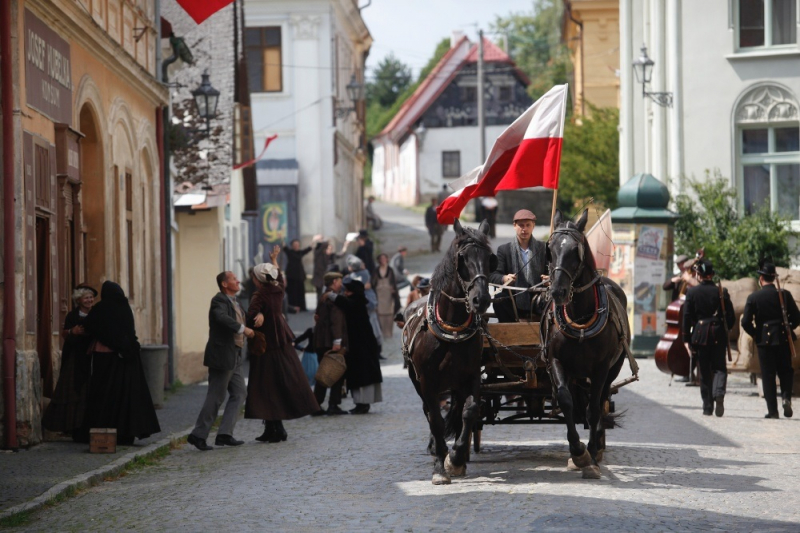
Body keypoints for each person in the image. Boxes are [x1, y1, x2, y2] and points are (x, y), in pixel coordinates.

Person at [246, 250, 320, 442]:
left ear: (257, 279)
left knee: (266, 386)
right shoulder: (278, 289)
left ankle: (274, 428)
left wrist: (259, 315)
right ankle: (275, 428)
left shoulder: (259, 296)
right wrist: (273, 260)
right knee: (279, 383)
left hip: (266, 345)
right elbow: (278, 276)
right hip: (282, 341)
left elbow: (250, 319)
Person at [82, 281, 160, 446]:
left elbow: (90, 326)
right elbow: (128, 332)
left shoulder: (100, 309)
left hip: (104, 358)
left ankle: (102, 431)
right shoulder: (125, 308)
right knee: (124, 395)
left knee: (104, 395)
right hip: (126, 358)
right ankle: (126, 432)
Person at [187, 272, 254, 451]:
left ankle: (225, 434)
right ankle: (198, 435)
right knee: (216, 396)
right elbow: (221, 318)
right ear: (225, 284)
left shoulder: (236, 302)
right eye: (233, 279)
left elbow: (248, 317)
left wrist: (261, 315)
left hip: (236, 355)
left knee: (240, 393)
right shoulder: (219, 301)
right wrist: (242, 329)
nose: (238, 281)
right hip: (223, 354)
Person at [741, 262, 800, 419]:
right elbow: (797, 318)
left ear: (761, 278)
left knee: (768, 375)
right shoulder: (785, 295)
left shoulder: (754, 297)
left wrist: (756, 334)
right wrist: (789, 328)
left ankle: (773, 411)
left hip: (764, 340)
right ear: (773, 278)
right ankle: (786, 397)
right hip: (783, 337)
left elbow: (745, 322)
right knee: (786, 371)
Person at [42, 284, 97, 442]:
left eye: (91, 297)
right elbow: (65, 333)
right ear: (79, 300)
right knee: (73, 390)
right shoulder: (72, 316)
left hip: (91, 357)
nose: (89, 300)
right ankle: (71, 427)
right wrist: (73, 332)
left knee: (89, 390)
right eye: (86, 297)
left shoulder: (95, 314)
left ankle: (87, 427)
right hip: (74, 358)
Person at [682, 259, 735, 417]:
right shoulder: (721, 291)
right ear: (711, 275)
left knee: (704, 371)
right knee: (720, 368)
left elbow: (686, 316)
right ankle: (718, 393)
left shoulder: (692, 292)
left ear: (699, 275)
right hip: (718, 332)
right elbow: (730, 317)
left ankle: (707, 407)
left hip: (700, 334)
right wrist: (725, 330)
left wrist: (686, 339)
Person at [326, 276, 383, 414]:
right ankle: (360, 403)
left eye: (348, 291)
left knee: (363, 376)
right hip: (360, 346)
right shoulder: (357, 301)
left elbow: (345, 302)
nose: (346, 293)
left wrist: (330, 295)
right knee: (359, 376)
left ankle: (363, 404)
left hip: (362, 347)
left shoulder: (356, 302)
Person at [489, 209, 547, 323]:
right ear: (514, 226)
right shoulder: (504, 250)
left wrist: (549, 279)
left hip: (537, 298)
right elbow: (493, 275)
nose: (524, 229)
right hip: (512, 299)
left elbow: (552, 272)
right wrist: (504, 278)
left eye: (528, 225)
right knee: (499, 298)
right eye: (521, 225)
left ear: (533, 226)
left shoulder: (543, 248)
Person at [312, 272, 349, 416]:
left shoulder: (323, 296)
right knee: (336, 373)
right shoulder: (332, 298)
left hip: (322, 341)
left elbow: (317, 316)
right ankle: (333, 404)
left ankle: (316, 404)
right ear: (334, 282)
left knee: (324, 373)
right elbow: (336, 320)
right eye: (339, 281)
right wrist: (337, 341)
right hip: (330, 342)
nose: (341, 284)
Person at [346, 254, 384, 351]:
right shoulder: (361, 274)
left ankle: (376, 348)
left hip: (366, 304)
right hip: (367, 305)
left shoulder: (353, 277)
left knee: (373, 327)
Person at [283, 237, 318, 313]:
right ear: (292, 245)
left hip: (300, 276)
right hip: (291, 276)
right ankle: (292, 307)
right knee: (291, 292)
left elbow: (309, 248)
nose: (296, 246)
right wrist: (281, 238)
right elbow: (284, 247)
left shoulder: (300, 253)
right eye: (294, 244)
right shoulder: (290, 252)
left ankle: (302, 307)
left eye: (297, 244)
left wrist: (314, 240)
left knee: (301, 292)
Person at [372, 253, 401, 339]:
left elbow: (394, 282)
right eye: (381, 259)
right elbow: (373, 282)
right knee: (380, 312)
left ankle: (389, 332)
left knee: (389, 312)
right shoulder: (376, 270)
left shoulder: (390, 270)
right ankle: (382, 331)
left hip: (389, 293)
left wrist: (394, 292)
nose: (383, 260)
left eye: (384, 258)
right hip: (379, 293)